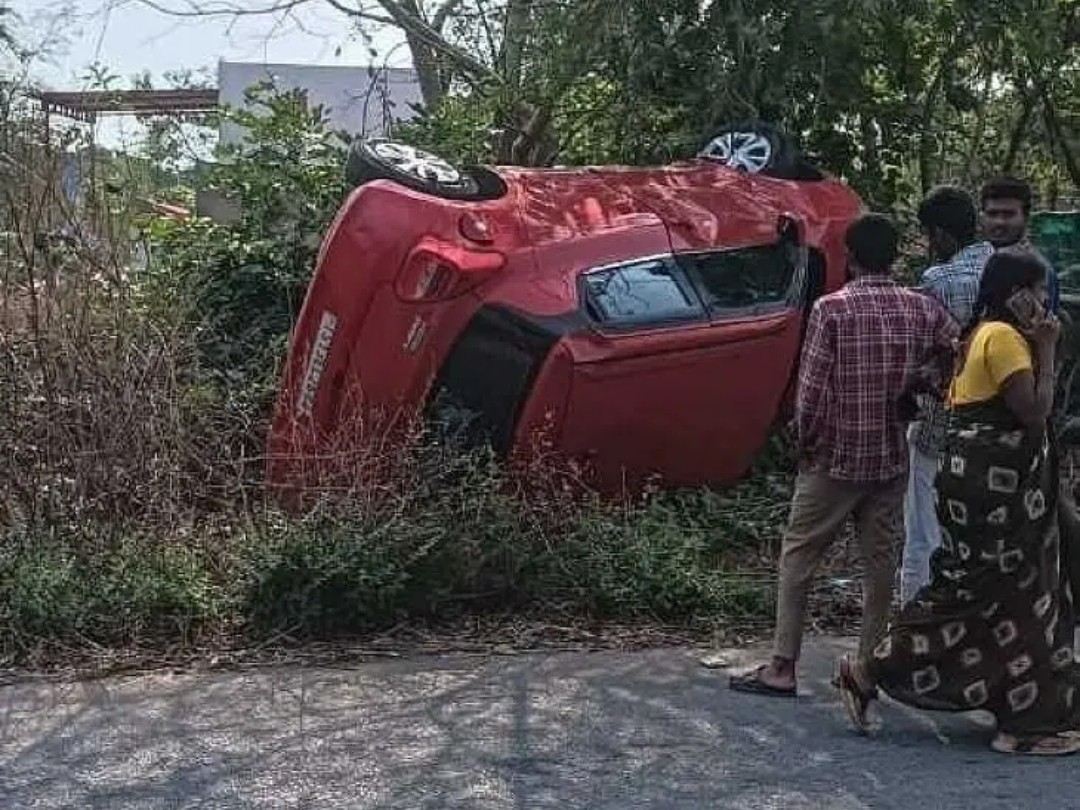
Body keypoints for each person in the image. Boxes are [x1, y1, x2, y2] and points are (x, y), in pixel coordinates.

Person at [837, 251, 1080, 756]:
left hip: (976, 485)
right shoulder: (1004, 338)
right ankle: (1024, 726)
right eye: (1037, 290)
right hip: (998, 496)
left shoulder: (978, 334)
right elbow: (1034, 412)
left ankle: (874, 671)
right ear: (1016, 293)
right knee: (1011, 597)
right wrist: (1049, 349)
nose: (1043, 301)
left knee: (980, 595)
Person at [729, 214, 958, 698]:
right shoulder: (922, 308)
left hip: (835, 458)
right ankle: (867, 668)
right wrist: (925, 385)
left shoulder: (832, 310)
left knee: (799, 556)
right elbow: (957, 350)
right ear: (895, 256)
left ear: (850, 258)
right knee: (880, 565)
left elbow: (811, 392)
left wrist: (804, 442)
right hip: (890, 457)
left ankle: (783, 666)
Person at [901, 188, 993, 603]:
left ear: (939, 234)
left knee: (924, 530)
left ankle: (915, 617)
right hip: (995, 428)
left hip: (940, 424)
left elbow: (919, 355)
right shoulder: (1005, 267)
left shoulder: (937, 282)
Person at [981, 176, 1059, 313]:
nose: (999, 222)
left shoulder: (1038, 270)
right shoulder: (976, 261)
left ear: (1026, 217)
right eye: (992, 214)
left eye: (1008, 214)